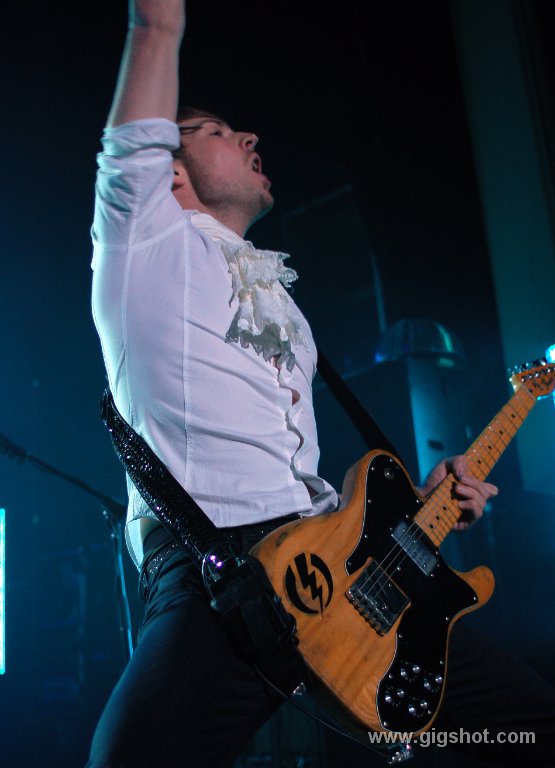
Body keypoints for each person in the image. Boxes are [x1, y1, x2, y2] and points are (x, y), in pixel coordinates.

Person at [87, 2, 555, 766]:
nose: (249, 137)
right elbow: (151, 45)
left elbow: (300, 477)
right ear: (168, 168)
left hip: (338, 572)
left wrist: (422, 509)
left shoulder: (284, 306)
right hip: (221, 576)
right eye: (215, 131)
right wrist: (158, 25)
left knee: (531, 725)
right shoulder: (143, 245)